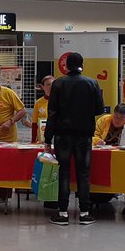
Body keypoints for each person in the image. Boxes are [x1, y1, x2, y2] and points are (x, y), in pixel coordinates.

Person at [45, 52, 105, 225]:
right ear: (82, 65)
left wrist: (48, 139)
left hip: (62, 136)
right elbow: (99, 109)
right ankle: (85, 212)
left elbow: (52, 114)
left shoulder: (58, 84)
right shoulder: (92, 83)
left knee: (63, 172)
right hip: (84, 136)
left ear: (66, 66)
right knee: (83, 174)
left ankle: (63, 213)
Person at [30, 74, 54, 143]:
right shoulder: (38, 102)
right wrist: (33, 141)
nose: (51, 86)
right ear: (43, 87)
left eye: (52, 84)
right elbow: (34, 123)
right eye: (48, 84)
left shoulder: (60, 101)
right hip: (42, 138)